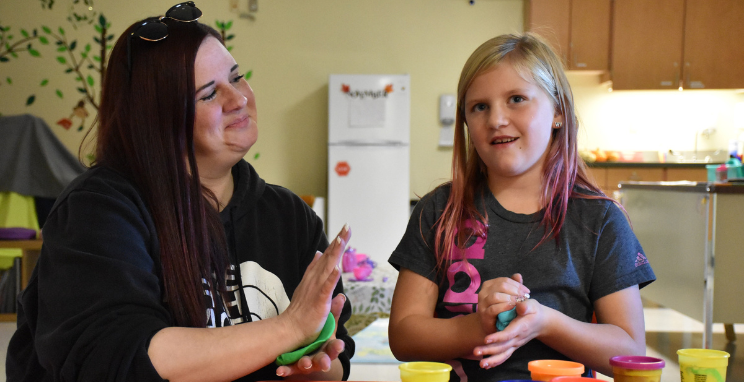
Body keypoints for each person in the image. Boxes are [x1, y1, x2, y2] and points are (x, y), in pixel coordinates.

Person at [6, 3, 354, 381]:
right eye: (208, 94)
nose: (238, 99)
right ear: (158, 121)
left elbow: (334, 361)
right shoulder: (99, 210)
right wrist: (287, 329)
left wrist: (311, 362)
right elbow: (119, 359)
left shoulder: (287, 215)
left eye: (236, 78)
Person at [387, 33, 656, 381]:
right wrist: (475, 327)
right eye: (479, 106)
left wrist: (545, 323)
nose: (496, 119)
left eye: (516, 99)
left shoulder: (600, 219)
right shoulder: (439, 211)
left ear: (558, 111)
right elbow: (403, 335)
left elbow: (629, 350)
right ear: (466, 121)